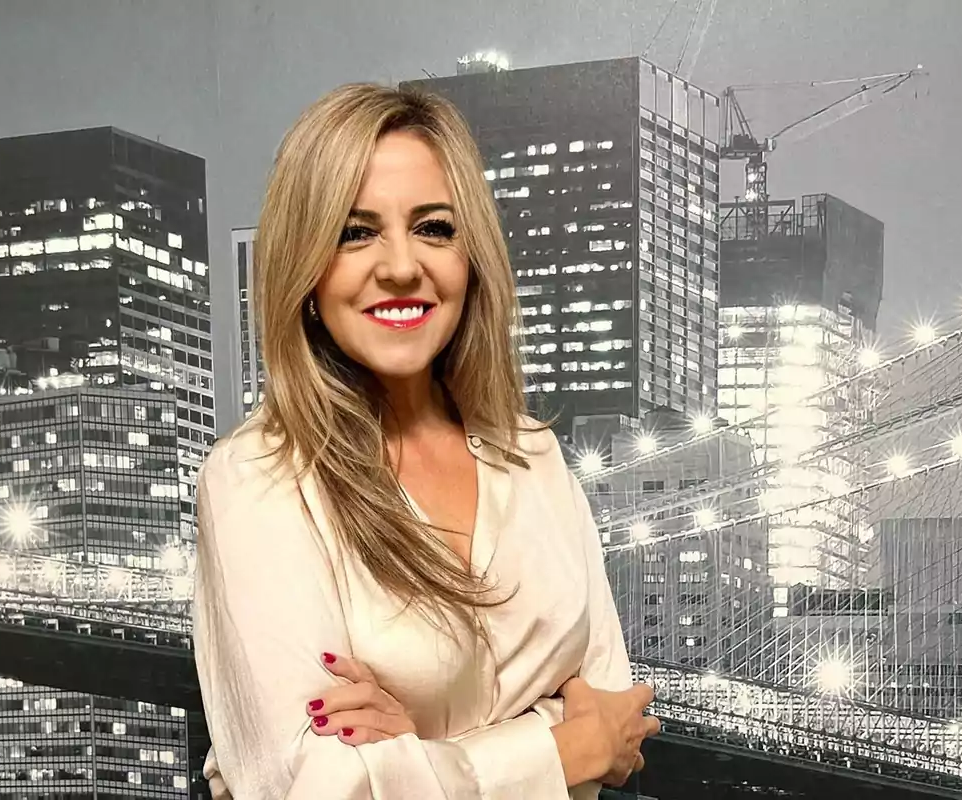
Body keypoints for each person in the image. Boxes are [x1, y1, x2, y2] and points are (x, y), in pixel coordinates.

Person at [192, 83, 660, 799]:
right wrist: (557, 751)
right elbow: (313, 789)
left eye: (434, 228)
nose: (402, 265)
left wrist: (410, 754)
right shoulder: (256, 480)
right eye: (356, 232)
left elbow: (616, 713)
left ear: (471, 257)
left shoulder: (533, 457)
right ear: (305, 271)